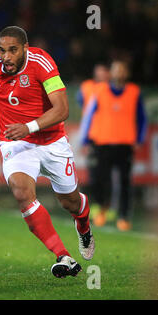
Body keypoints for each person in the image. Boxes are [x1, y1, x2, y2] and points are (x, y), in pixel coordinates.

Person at [0, 26, 94, 278]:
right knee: (22, 192)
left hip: (52, 141)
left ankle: (83, 224)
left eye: (13, 50)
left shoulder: (42, 62)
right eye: (2, 51)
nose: (6, 57)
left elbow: (62, 110)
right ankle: (62, 256)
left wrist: (28, 127)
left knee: (70, 202)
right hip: (16, 143)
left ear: (25, 48)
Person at [79, 60, 147, 231]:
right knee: (101, 180)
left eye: (122, 70)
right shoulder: (100, 91)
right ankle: (101, 209)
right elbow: (88, 116)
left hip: (125, 144)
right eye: (116, 70)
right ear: (112, 73)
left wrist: (139, 138)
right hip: (102, 143)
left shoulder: (134, 92)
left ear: (126, 73)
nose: (119, 73)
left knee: (125, 182)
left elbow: (142, 117)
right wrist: (85, 139)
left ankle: (124, 216)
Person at [76, 64, 113, 221]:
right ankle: (97, 206)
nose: (101, 74)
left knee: (109, 175)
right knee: (94, 174)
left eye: (103, 71)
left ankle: (107, 208)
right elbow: (81, 103)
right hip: (93, 137)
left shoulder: (112, 89)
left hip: (111, 137)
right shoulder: (87, 87)